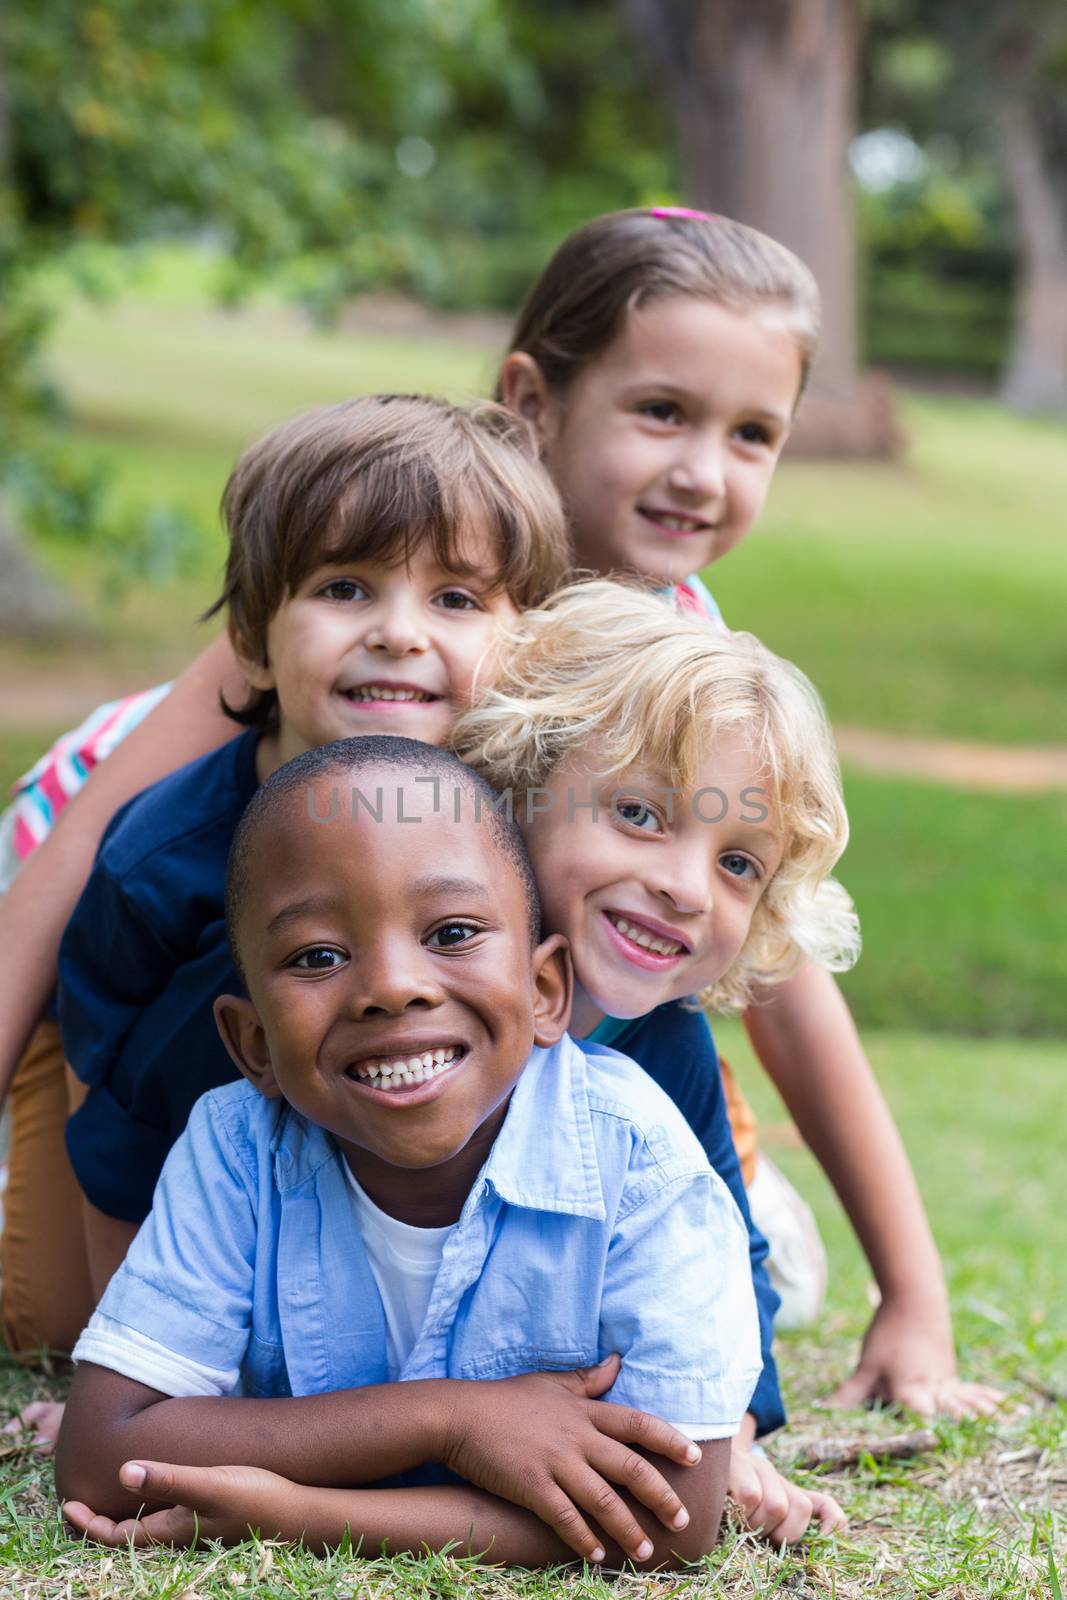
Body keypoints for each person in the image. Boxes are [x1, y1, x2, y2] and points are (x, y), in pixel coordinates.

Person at [1, 208, 998, 1456]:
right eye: (659, 412)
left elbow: (767, 957)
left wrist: (911, 1291)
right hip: (102, 948)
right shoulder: (358, 569)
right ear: (533, 395)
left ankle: (705, 1195)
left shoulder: (664, 651)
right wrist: (140, 1353)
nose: (700, 469)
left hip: (378, 986)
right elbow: (85, 872)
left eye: (752, 434)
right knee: (53, 1312)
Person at [57, 736, 763, 1566]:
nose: (393, 986)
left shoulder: (640, 1160)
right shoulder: (235, 1148)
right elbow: (101, 1458)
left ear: (544, 992)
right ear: (251, 1044)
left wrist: (300, 1515)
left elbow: (678, 1519)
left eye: (453, 931)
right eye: (318, 956)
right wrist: (451, 1417)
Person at [1, 392, 571, 1355]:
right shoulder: (157, 861)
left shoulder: (529, 828)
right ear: (251, 642)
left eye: (456, 599)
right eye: (345, 588)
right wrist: (132, 1348)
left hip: (381, 1096)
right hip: (123, 1072)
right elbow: (113, 1117)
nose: (398, 632)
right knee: (46, 1327)